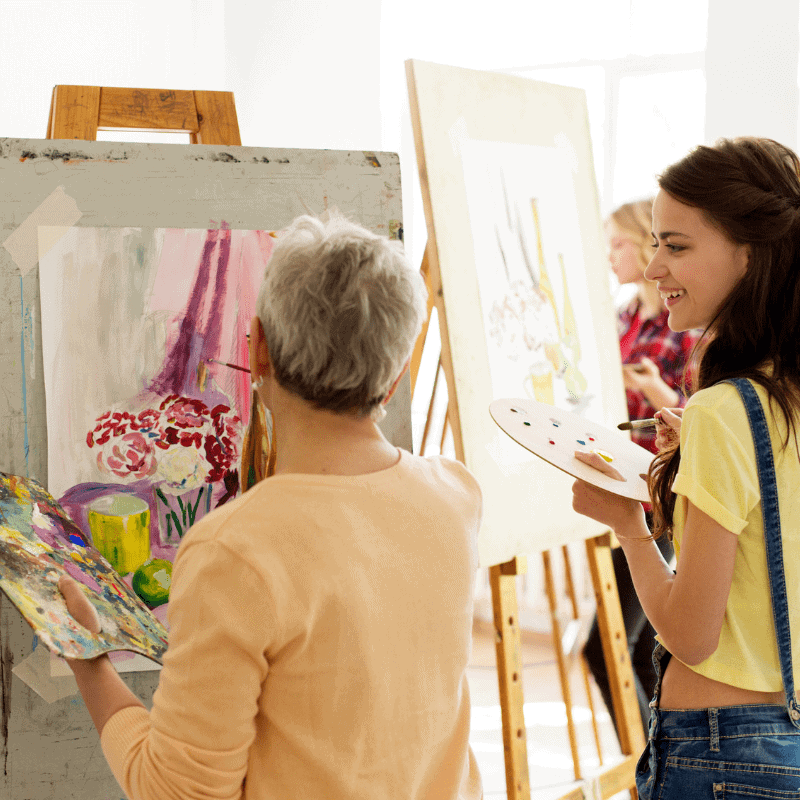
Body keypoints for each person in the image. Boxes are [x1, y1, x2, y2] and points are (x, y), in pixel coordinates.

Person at [57, 212, 484, 800]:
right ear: (394, 377)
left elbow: (178, 793)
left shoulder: (235, 548)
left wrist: (87, 659)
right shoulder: (455, 497)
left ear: (255, 352)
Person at [572, 137, 800, 799]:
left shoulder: (725, 411)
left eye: (675, 245)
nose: (651, 267)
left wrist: (628, 524)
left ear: (749, 255)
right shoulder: (776, 400)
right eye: (652, 244)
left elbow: (692, 635)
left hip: (721, 754)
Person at [583, 200, 698, 740]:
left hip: (660, 496)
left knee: (617, 647)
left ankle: (651, 765)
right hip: (618, 482)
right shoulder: (624, 316)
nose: (610, 255)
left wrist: (654, 389)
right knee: (620, 645)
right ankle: (651, 763)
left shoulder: (685, 330)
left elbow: (701, 422)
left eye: (617, 243)